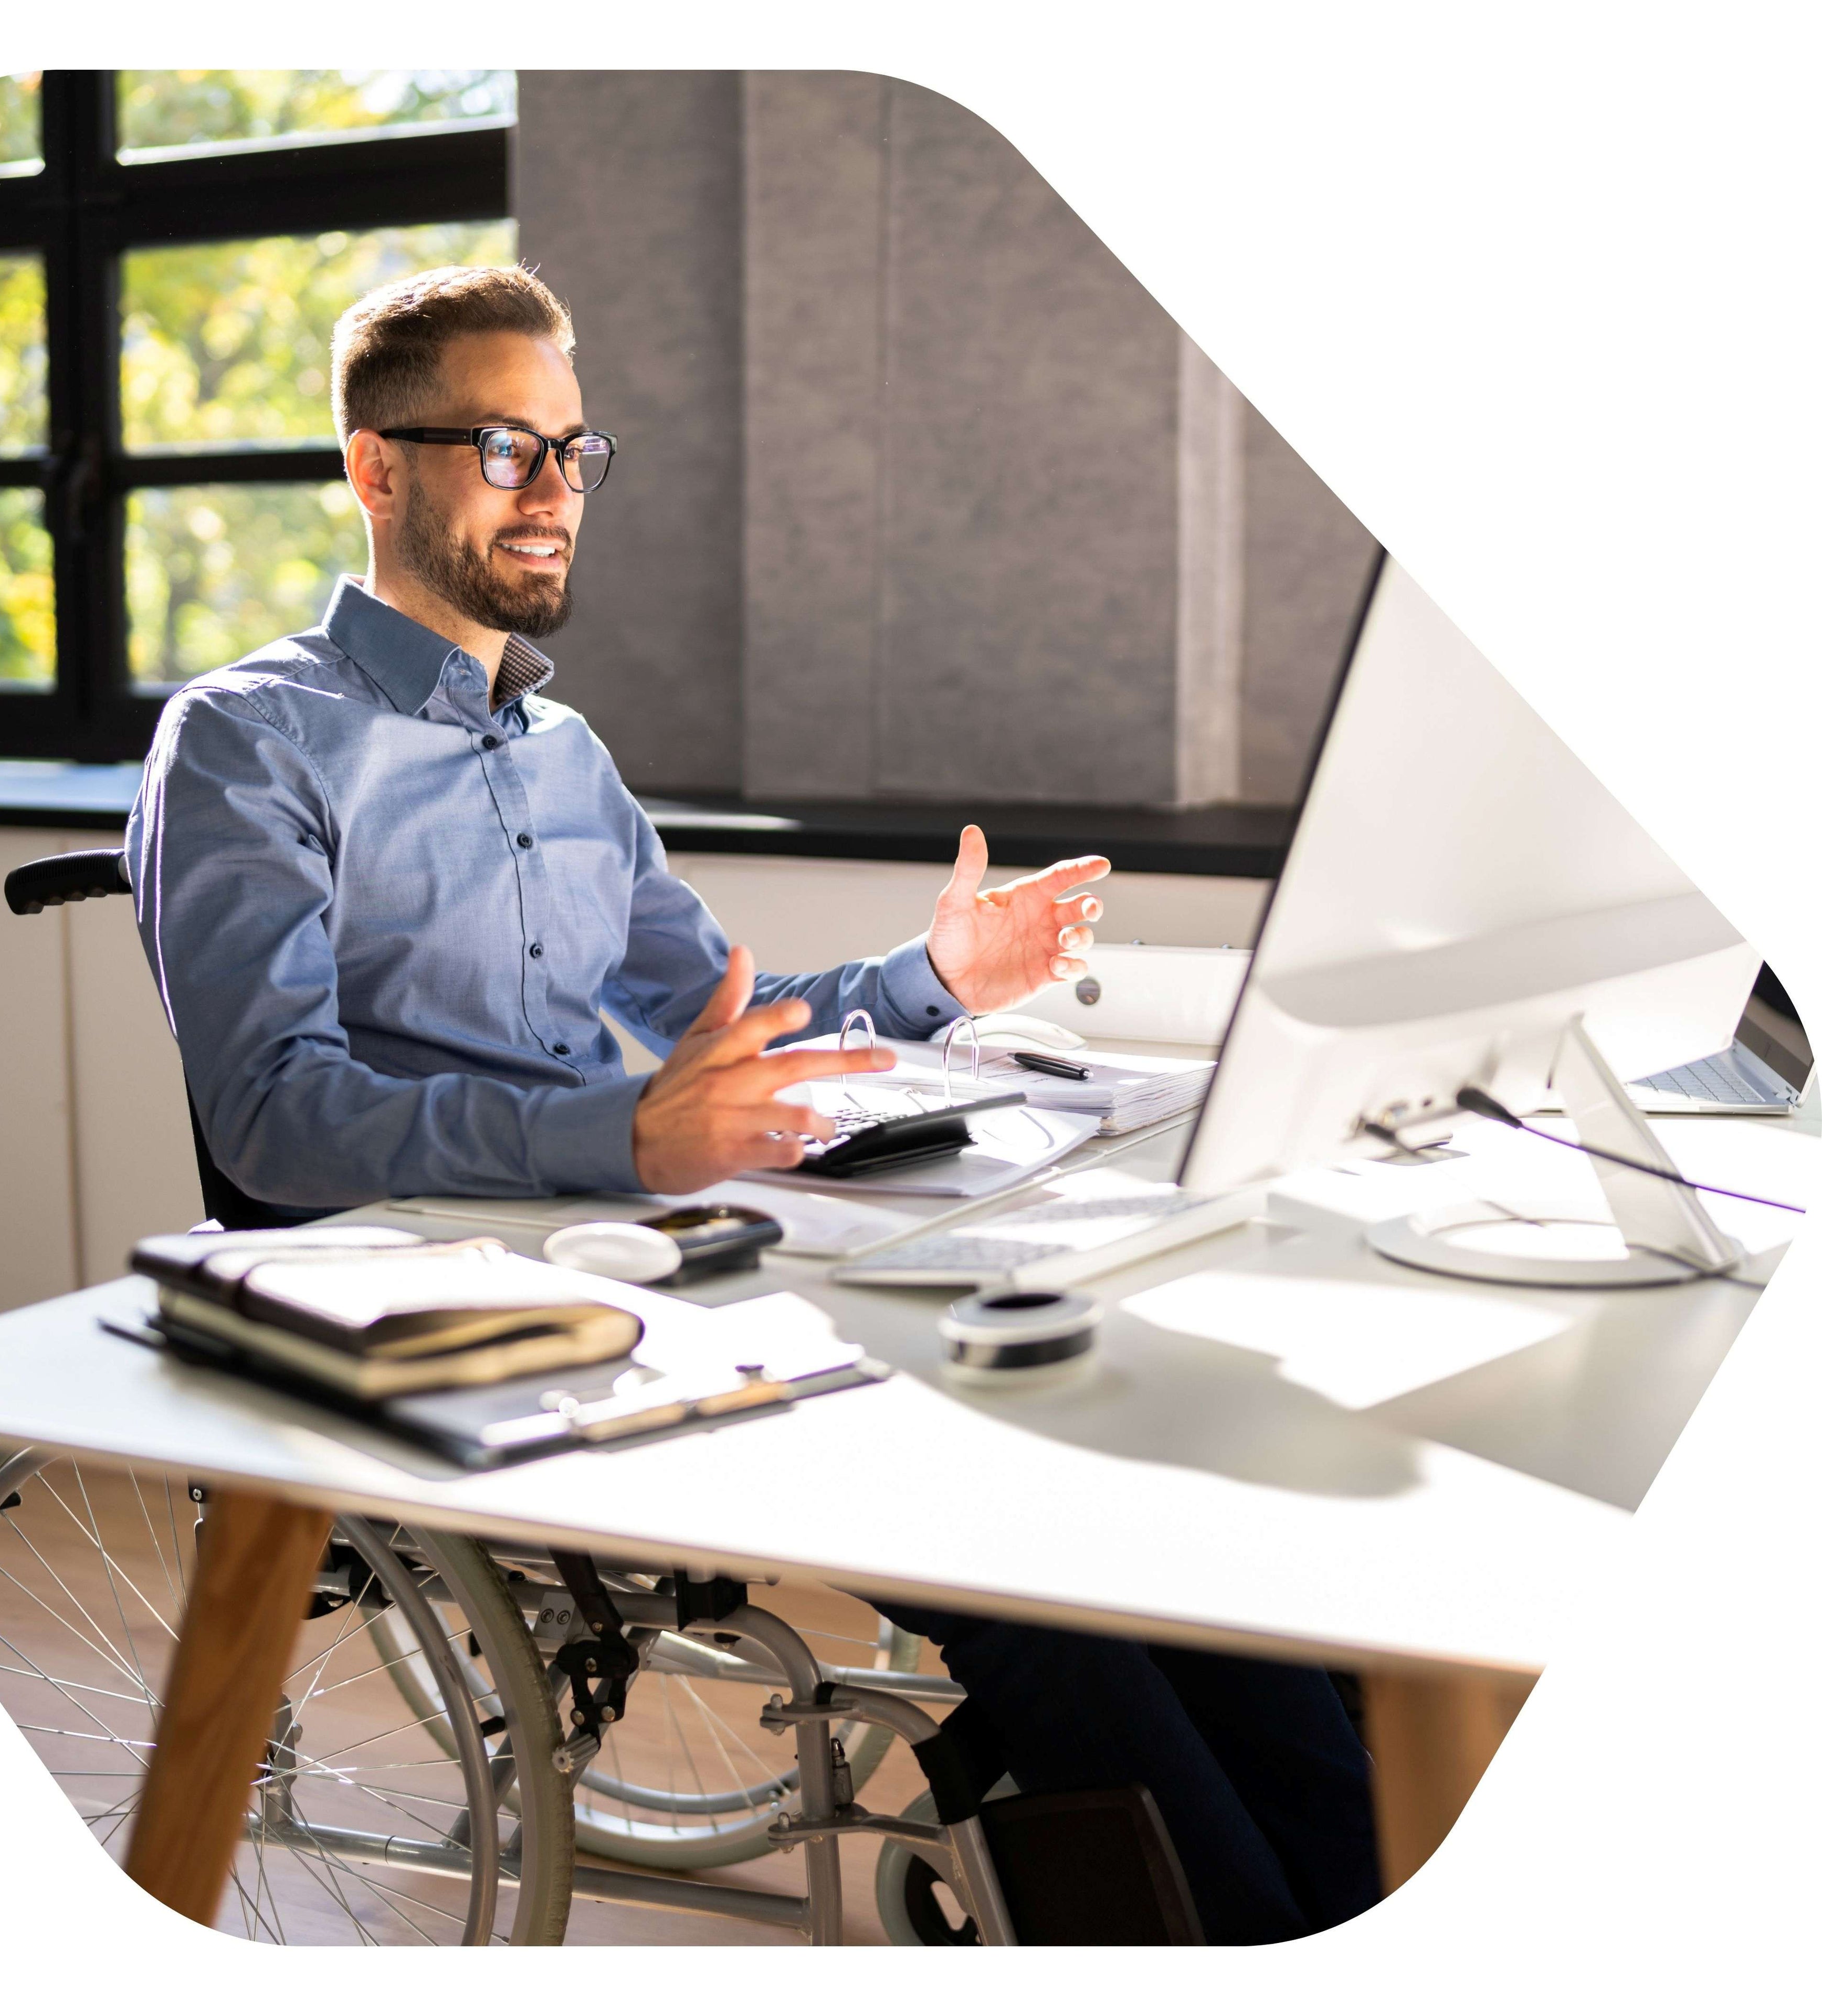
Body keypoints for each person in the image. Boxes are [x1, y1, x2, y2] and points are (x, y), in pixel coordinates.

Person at [127, 262, 1379, 1941]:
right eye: (510, 449)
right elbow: (279, 1121)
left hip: (688, 1249)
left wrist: (937, 978)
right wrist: (619, 1138)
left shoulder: (565, 760)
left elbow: (732, 1023)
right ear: (374, 467)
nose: (558, 493)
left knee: (1148, 1459)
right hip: (486, 1313)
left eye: (578, 451)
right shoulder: (247, 742)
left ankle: (1361, 1915)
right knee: (1035, 1563)